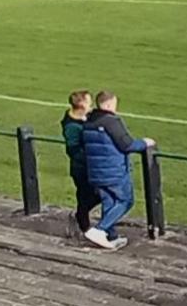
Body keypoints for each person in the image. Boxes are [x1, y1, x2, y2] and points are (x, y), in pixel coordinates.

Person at [77, 92, 152, 249]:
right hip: (114, 171)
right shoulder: (112, 121)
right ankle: (99, 230)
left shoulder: (88, 122)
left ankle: (111, 237)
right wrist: (145, 143)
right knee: (126, 201)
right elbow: (127, 145)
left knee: (109, 202)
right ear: (110, 104)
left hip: (95, 171)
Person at [59, 90, 95, 233]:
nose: (90, 104)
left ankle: (81, 222)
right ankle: (82, 223)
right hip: (81, 168)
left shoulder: (82, 119)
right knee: (88, 195)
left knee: (87, 197)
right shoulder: (72, 127)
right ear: (81, 104)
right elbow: (73, 150)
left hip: (88, 165)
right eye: (88, 101)